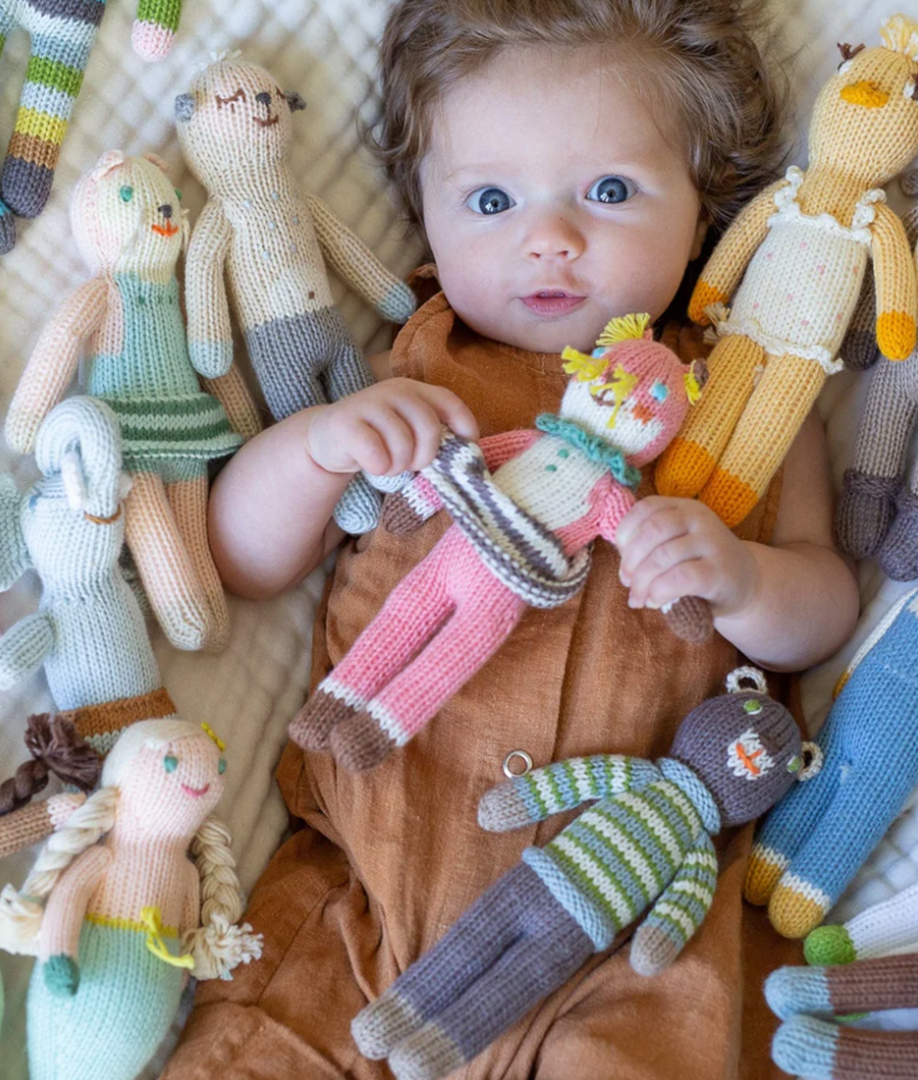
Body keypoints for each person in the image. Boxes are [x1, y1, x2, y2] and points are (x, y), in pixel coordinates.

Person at [162, 1, 859, 1076]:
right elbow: (242, 568)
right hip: (361, 891)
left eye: (610, 191)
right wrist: (317, 447)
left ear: (706, 201)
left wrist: (744, 578)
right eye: (491, 200)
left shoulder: (744, 405)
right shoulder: (408, 378)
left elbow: (823, 612)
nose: (550, 237)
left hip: (633, 924)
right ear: (426, 215)